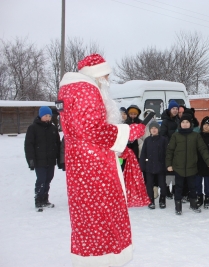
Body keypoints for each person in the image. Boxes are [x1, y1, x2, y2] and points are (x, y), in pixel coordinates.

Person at [57, 54, 145, 266]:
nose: (108, 78)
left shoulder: (71, 89)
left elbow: (84, 131)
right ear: (97, 73)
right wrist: (129, 132)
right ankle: (103, 258)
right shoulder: (86, 89)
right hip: (94, 166)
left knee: (88, 215)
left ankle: (95, 256)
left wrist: (115, 149)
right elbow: (94, 130)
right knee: (103, 213)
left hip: (83, 161)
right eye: (106, 74)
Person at [165, 113, 209, 215]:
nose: (185, 124)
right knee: (178, 188)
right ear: (180, 124)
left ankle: (193, 205)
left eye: (187, 122)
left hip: (192, 168)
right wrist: (169, 164)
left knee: (193, 188)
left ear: (190, 124)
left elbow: (203, 149)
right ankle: (178, 207)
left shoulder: (196, 136)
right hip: (178, 168)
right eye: (183, 122)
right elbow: (170, 151)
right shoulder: (175, 136)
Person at [24, 106, 61, 211]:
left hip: (51, 160)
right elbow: (28, 145)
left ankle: (45, 200)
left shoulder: (53, 128)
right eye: (45, 116)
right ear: (40, 115)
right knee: (41, 180)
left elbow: (57, 145)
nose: (48, 118)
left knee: (48, 179)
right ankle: (38, 200)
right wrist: (31, 160)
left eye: (49, 116)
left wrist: (59, 159)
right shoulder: (33, 128)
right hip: (39, 160)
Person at [140, 121, 168, 209]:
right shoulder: (147, 140)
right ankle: (151, 201)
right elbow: (143, 153)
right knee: (149, 185)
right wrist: (142, 165)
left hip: (161, 167)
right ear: (149, 130)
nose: (154, 130)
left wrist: (167, 165)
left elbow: (167, 153)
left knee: (163, 185)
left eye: (155, 128)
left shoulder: (163, 139)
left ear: (158, 129)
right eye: (152, 128)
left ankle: (162, 200)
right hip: (149, 167)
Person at [195, 116, 209, 209]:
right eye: (204, 125)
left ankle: (207, 199)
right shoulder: (197, 137)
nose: (206, 127)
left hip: (208, 165)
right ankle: (199, 198)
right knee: (198, 183)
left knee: (207, 183)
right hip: (198, 164)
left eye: (208, 125)